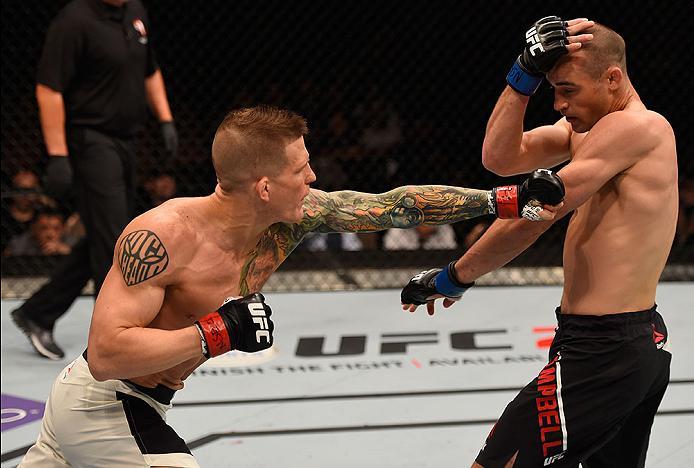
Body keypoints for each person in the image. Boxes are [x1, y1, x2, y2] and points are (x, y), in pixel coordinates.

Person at [19, 105, 564, 467]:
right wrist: (214, 333)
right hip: (104, 403)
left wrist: (503, 199)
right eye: (301, 170)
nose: (313, 178)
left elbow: (389, 205)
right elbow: (110, 353)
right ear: (263, 186)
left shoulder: (292, 219)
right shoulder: (161, 236)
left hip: (142, 402)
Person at [401, 17, 676, 467]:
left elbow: (538, 213)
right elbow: (499, 158)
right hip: (611, 341)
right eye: (552, 89)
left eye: (568, 89)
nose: (560, 103)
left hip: (606, 351)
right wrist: (521, 78)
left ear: (613, 79)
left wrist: (454, 277)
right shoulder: (587, 132)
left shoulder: (638, 128)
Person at [11, 0, 178, 360]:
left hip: (125, 141)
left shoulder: (136, 12)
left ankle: (38, 312)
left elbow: (150, 70)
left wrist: (164, 118)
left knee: (106, 234)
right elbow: (48, 89)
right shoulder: (73, 20)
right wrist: (57, 155)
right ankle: (115, 341)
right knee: (115, 243)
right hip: (90, 140)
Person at [4, 207, 72, 257]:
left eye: (56, 229)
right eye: (44, 228)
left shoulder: (72, 243)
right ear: (34, 229)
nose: (50, 234)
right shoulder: (20, 245)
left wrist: (67, 251)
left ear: (63, 229)